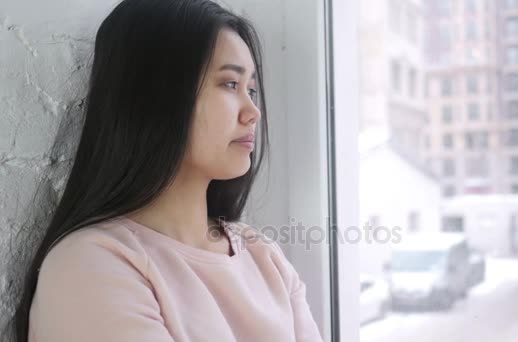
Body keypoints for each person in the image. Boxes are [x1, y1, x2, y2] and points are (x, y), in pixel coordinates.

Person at [2, 0, 323, 341]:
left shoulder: (263, 256)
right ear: (158, 93)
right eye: (230, 84)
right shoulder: (90, 266)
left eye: (252, 90)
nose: (253, 111)